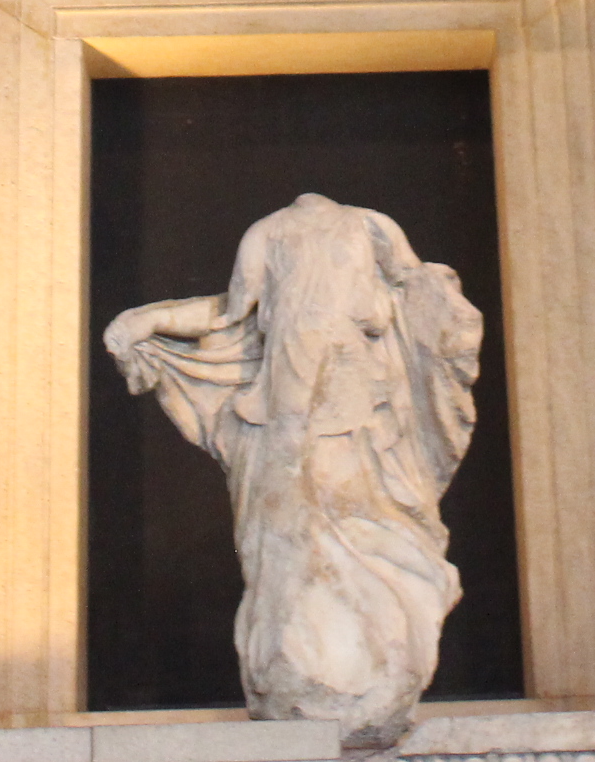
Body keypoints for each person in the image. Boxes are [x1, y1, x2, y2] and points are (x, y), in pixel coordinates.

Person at [105, 195, 482, 745]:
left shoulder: (292, 231)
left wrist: (149, 318)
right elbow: (235, 314)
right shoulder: (353, 227)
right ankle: (317, 675)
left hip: (340, 407)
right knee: (302, 547)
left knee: (360, 537)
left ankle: (366, 672)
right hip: (299, 409)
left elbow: (233, 312)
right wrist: (150, 319)